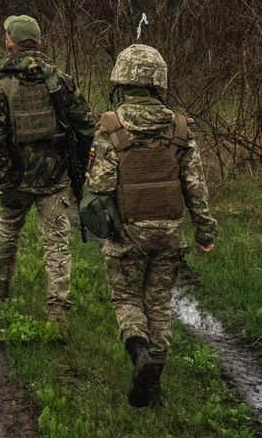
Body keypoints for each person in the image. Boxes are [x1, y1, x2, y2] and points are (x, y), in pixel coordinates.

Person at [82, 43, 217, 407]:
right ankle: (153, 387)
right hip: (169, 233)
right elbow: (196, 189)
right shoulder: (180, 129)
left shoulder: (112, 127)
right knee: (158, 305)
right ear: (159, 82)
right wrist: (205, 233)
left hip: (128, 232)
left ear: (122, 81)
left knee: (127, 299)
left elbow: (100, 187)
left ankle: (140, 354)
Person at [0, 14, 95, 334]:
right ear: (38, 42)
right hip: (54, 178)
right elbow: (86, 127)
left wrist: (0, 180)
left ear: (11, 43)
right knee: (56, 242)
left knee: (8, 231)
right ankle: (57, 312)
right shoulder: (60, 80)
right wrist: (77, 167)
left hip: (15, 178)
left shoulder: (0, 85)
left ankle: (0, 286)